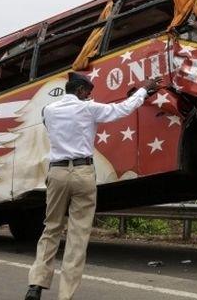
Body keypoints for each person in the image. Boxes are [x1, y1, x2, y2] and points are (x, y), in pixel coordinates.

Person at [25, 72, 160, 300]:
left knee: (51, 228)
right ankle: (65, 295)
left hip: (57, 172)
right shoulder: (89, 109)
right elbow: (123, 109)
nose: (90, 95)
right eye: (88, 91)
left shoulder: (48, 111)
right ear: (79, 90)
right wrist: (144, 91)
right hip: (83, 172)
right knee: (78, 235)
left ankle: (36, 284)